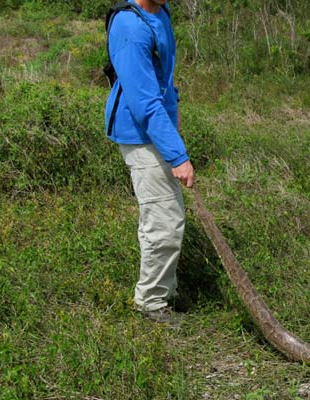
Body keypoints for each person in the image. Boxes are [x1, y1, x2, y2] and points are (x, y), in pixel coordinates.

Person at [105, 0, 194, 324]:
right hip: (140, 133)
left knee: (162, 216)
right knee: (165, 223)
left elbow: (164, 78)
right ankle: (152, 304)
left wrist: (175, 120)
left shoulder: (161, 12)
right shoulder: (130, 27)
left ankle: (161, 292)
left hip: (159, 128)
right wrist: (178, 156)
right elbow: (143, 102)